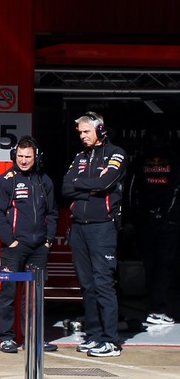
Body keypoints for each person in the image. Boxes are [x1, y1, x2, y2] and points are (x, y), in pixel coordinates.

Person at [62, 112, 128, 358]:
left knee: (103, 285)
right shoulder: (79, 156)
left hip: (103, 227)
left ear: (100, 131)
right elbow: (66, 187)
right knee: (87, 286)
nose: (82, 136)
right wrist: (89, 186)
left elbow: (105, 184)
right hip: (79, 227)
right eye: (80, 132)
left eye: (86, 131)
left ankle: (111, 341)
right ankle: (94, 335)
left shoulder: (116, 154)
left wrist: (84, 184)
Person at [0, 137, 57, 354]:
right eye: (20, 156)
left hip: (39, 248)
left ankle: (34, 338)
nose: (24, 161)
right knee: (8, 291)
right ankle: (6, 338)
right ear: (14, 156)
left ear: (36, 157)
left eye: (28, 157)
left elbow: (53, 213)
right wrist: (12, 241)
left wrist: (48, 241)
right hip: (14, 248)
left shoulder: (44, 181)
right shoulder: (4, 181)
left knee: (35, 294)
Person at [126, 131, 178, 326]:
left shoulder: (142, 161)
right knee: (161, 265)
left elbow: (130, 192)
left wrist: (131, 220)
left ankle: (156, 307)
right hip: (159, 222)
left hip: (154, 221)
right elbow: (131, 191)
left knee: (156, 265)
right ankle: (157, 309)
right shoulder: (144, 162)